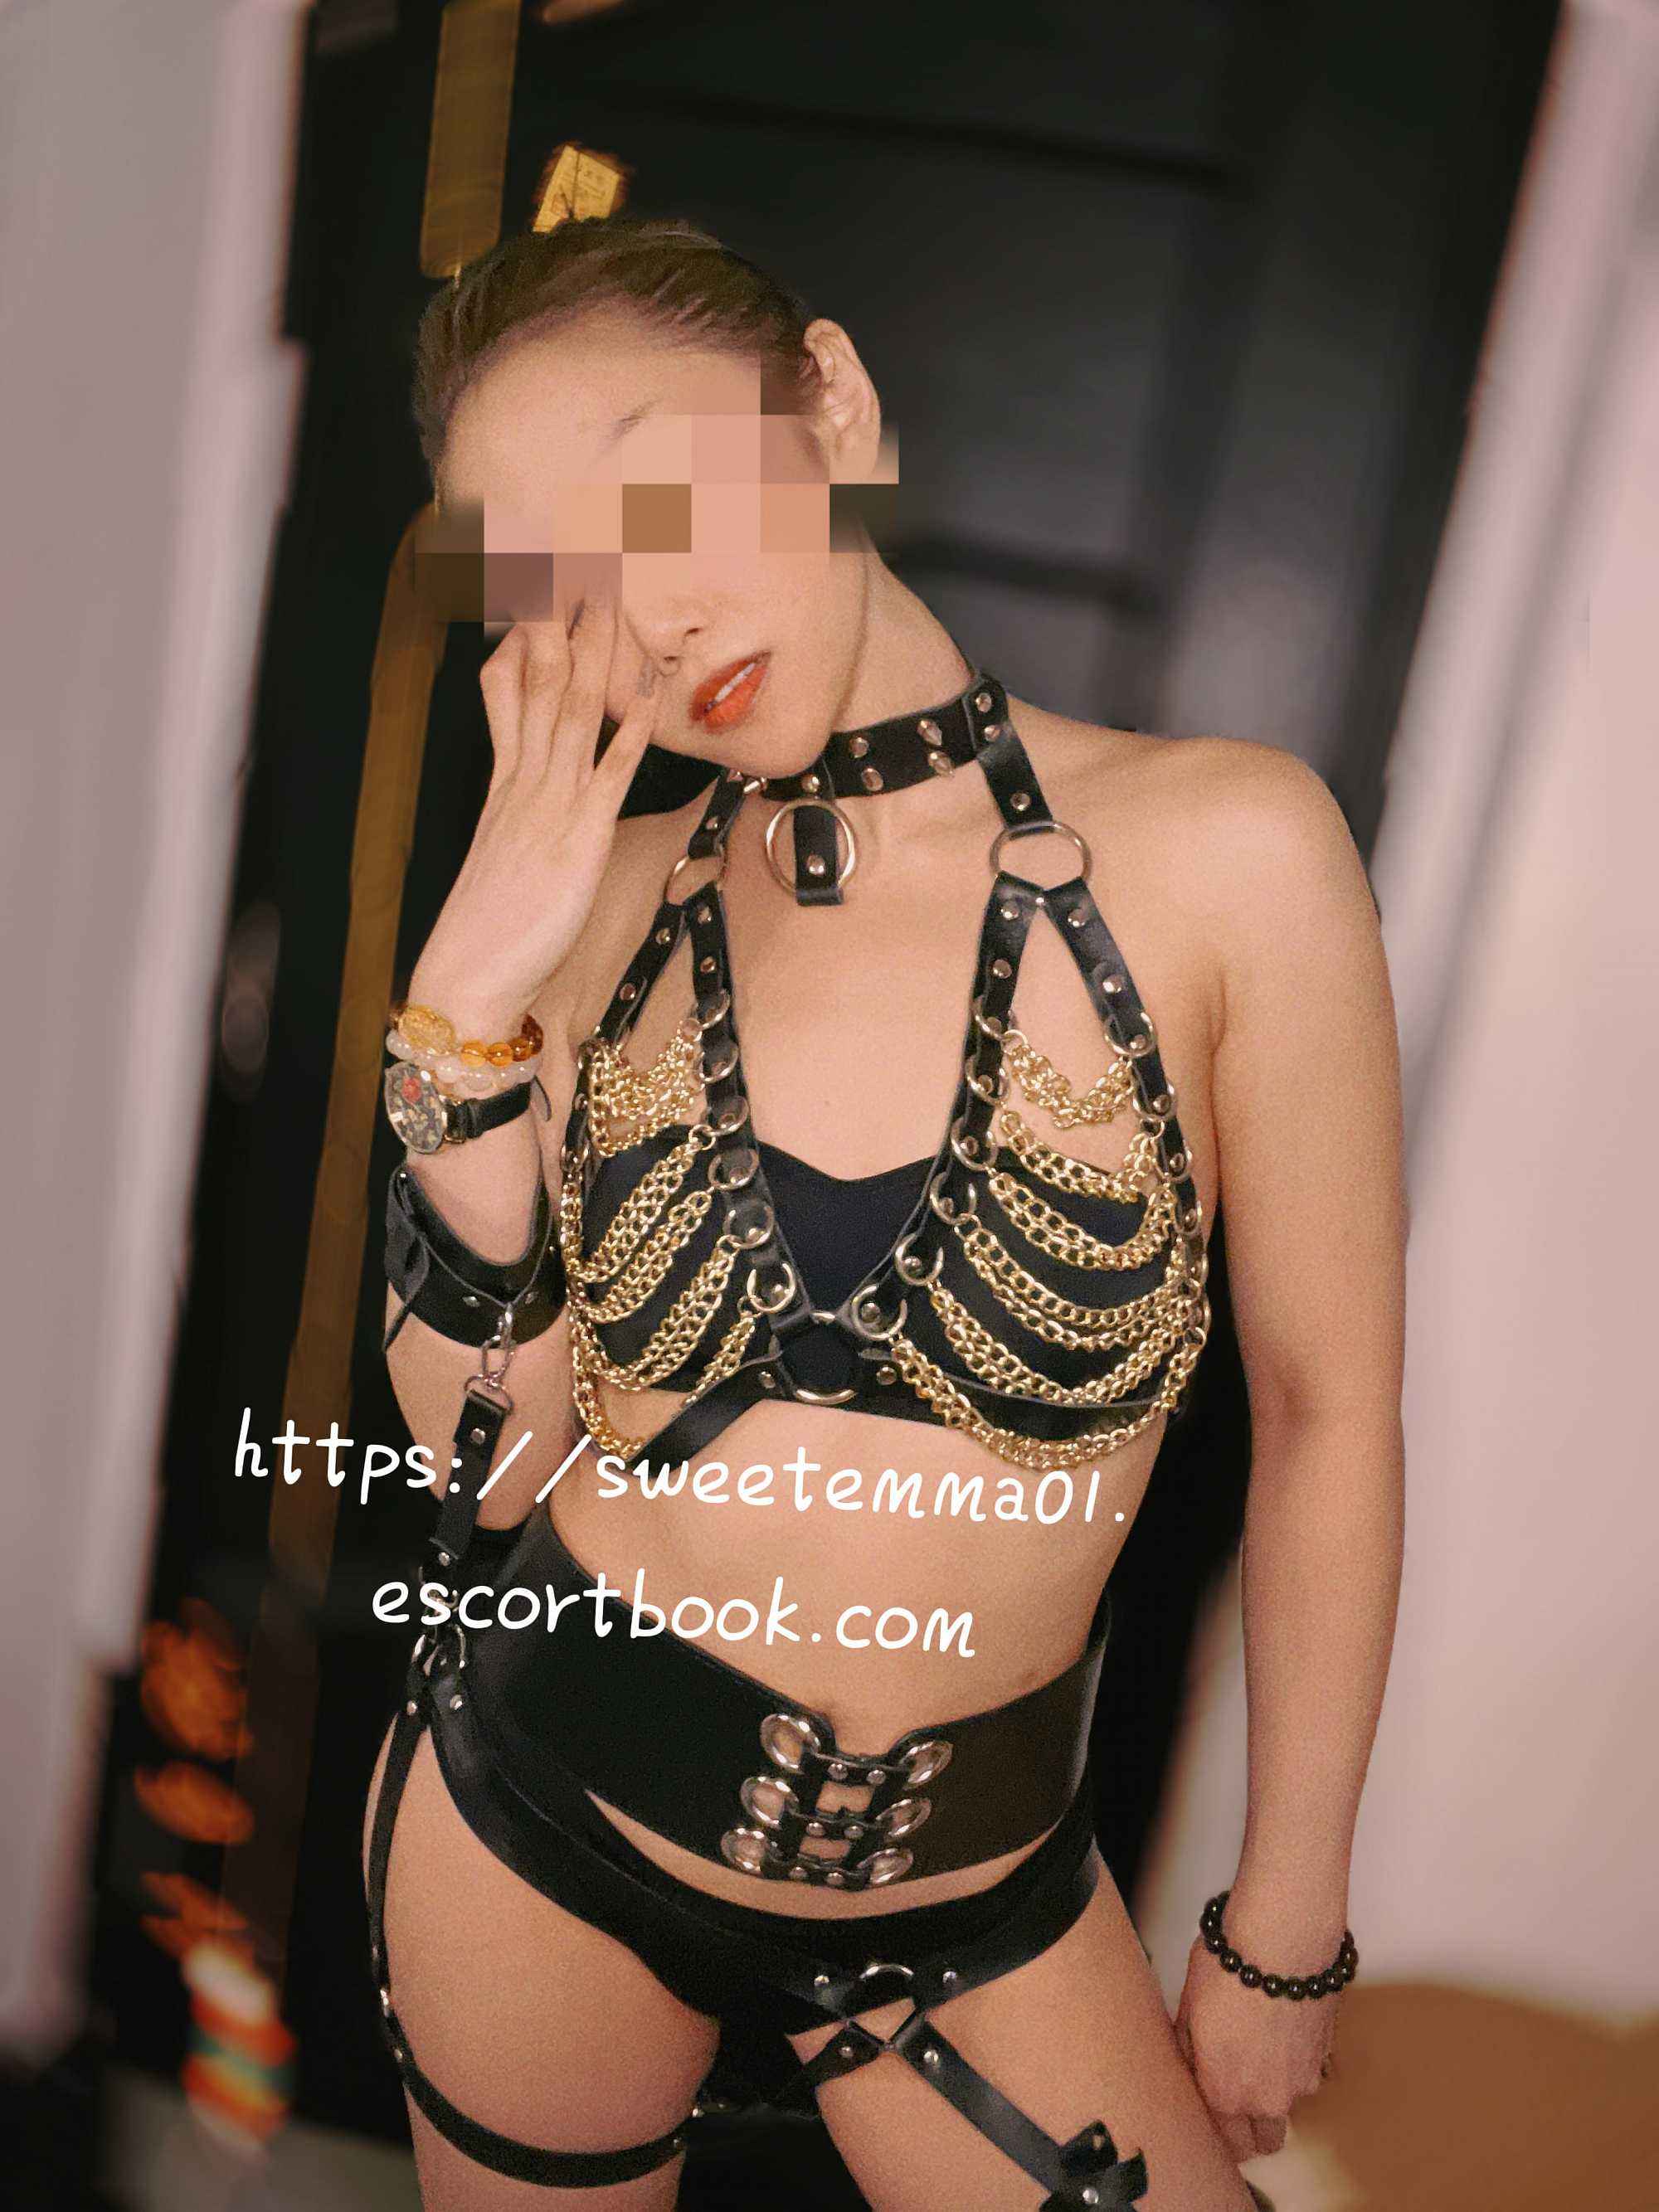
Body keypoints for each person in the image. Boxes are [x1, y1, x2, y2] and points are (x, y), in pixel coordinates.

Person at [361, 214, 1405, 2211]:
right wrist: (465, 1011)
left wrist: (1284, 1917)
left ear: (829, 402)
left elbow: (1326, 1408)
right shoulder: (584, 914)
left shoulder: (1235, 853)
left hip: (973, 1891)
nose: (655, 624)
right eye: (565, 589)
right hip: (539, 1820)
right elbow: (488, 1469)